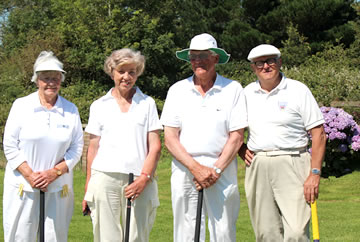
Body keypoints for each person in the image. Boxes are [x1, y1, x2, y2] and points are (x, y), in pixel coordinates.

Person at [160, 33, 248, 242]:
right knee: (186, 232)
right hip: (185, 168)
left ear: (216, 58)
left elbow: (237, 136)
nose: (198, 61)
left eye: (203, 56)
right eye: (193, 57)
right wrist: (195, 168)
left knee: (224, 230)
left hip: (222, 169)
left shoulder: (233, 89)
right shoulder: (177, 90)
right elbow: (170, 138)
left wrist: (215, 170)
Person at [239, 44, 327, 241]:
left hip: (294, 161)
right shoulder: (246, 93)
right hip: (258, 164)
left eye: (270, 61)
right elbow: (232, 129)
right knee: (266, 233)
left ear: (279, 62)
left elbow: (319, 134)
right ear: (253, 68)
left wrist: (315, 173)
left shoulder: (298, 90)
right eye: (259, 63)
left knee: (296, 232)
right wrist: (241, 148)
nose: (266, 66)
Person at [2, 51, 84, 241]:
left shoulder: (71, 110)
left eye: (56, 78)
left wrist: (53, 173)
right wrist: (31, 175)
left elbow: (77, 147)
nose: (51, 83)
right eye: (46, 78)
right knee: (20, 236)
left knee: (55, 236)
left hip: (58, 187)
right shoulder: (21, 106)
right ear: (37, 80)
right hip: (23, 187)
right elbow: (10, 145)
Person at [82, 48, 162, 242]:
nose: (126, 77)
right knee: (106, 237)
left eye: (132, 72)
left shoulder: (147, 103)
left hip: (139, 179)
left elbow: (155, 147)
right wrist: (88, 187)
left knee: (137, 237)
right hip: (104, 178)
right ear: (112, 73)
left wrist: (144, 178)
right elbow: (93, 148)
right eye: (121, 71)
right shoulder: (99, 105)